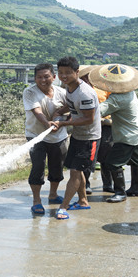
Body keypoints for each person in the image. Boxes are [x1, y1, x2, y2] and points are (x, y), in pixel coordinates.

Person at [48, 56, 102, 220]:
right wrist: (60, 112)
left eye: (68, 73)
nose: (64, 76)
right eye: (61, 73)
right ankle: (83, 201)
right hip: (79, 136)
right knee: (77, 171)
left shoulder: (85, 93)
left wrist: (64, 123)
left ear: (77, 72)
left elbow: (88, 119)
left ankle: (63, 207)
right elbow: (71, 105)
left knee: (75, 173)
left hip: (89, 138)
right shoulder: (70, 88)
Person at [89, 63, 138, 203]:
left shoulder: (118, 99)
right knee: (136, 161)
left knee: (112, 163)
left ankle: (120, 192)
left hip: (126, 137)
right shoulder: (130, 92)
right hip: (136, 133)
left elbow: (98, 111)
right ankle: (137, 188)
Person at [23, 63, 69, 214]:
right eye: (39, 77)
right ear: (35, 78)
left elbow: (71, 107)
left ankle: (53, 194)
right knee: (38, 167)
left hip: (59, 136)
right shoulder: (29, 92)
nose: (43, 80)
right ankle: (37, 201)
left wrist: (61, 116)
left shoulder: (62, 92)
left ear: (54, 77)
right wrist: (47, 123)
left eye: (46, 77)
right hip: (36, 136)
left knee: (57, 167)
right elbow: (37, 111)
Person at [79, 65, 114, 194]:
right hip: (88, 126)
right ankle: (86, 184)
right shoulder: (79, 90)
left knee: (107, 154)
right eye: (83, 76)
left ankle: (108, 184)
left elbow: (113, 102)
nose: (87, 78)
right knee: (89, 155)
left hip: (106, 124)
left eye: (88, 75)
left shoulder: (103, 87)